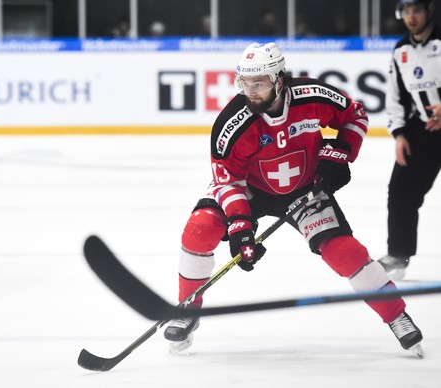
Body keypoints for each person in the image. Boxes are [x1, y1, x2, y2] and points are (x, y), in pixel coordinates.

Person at [163, 42, 424, 358]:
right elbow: (228, 180)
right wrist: (241, 228)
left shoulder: (312, 97)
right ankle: (188, 309)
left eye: (258, 83)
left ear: (279, 79)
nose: (250, 91)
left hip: (305, 189)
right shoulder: (231, 124)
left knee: (345, 254)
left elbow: (355, 114)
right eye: (244, 83)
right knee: (200, 228)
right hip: (250, 189)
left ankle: (396, 315)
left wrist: (339, 154)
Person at [378, 0, 441, 281]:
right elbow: (395, 96)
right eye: (407, 11)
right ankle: (398, 255)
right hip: (422, 131)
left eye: (417, 10)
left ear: (429, 11)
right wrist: (399, 133)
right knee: (401, 190)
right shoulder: (400, 50)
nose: (412, 17)